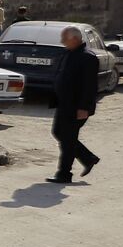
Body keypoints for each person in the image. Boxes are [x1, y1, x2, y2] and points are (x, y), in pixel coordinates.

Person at [47, 26, 101, 184]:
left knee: (68, 140)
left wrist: (83, 108)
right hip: (64, 104)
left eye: (65, 38)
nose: (62, 41)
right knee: (58, 133)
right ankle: (88, 158)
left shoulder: (88, 58)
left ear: (75, 39)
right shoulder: (68, 53)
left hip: (77, 106)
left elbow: (90, 86)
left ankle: (64, 173)